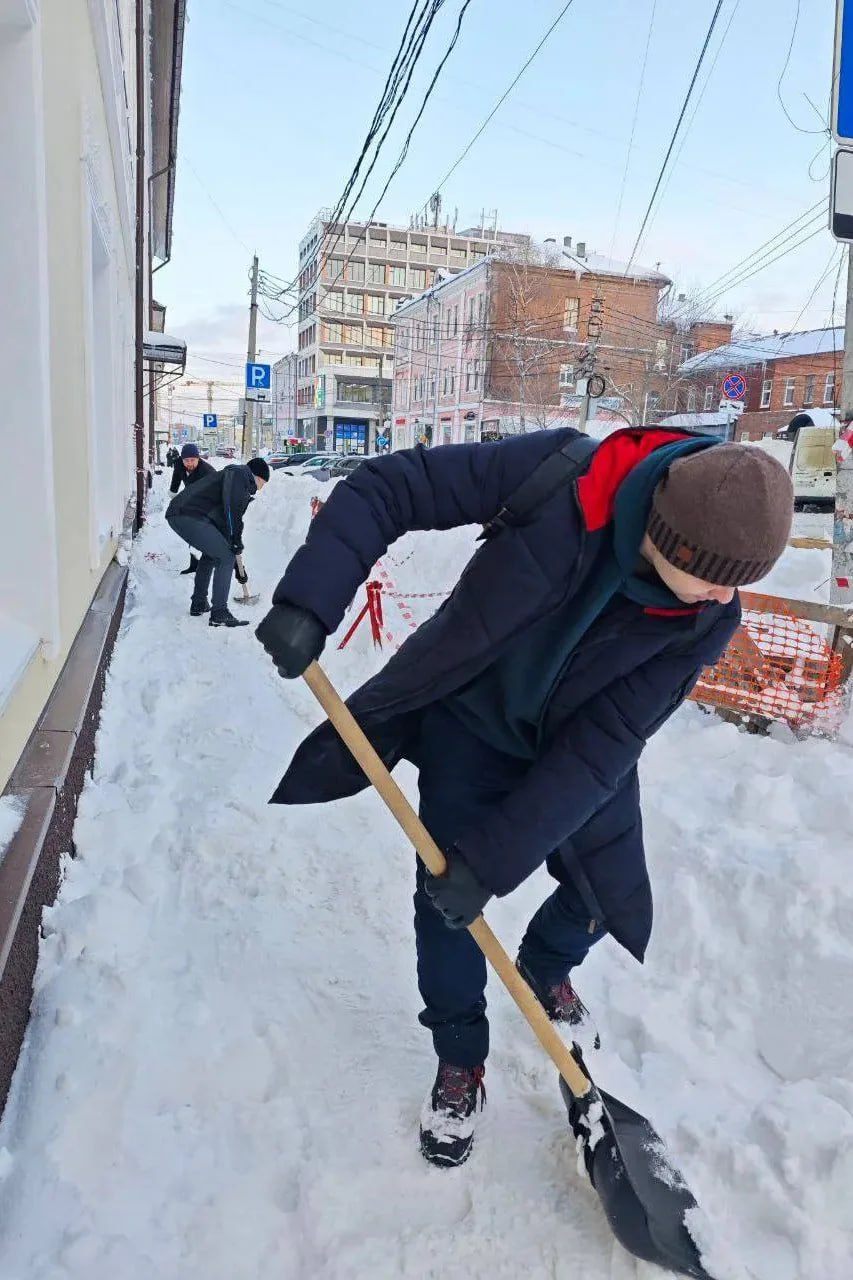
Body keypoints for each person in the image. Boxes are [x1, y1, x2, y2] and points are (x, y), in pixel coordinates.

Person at [254, 427, 793, 1168]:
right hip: (469, 728)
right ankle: (459, 1059)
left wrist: (497, 859)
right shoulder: (560, 474)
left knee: (607, 895)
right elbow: (389, 487)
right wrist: (311, 603)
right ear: (667, 538)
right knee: (446, 901)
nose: (726, 598)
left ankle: (544, 964)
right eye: (713, 577)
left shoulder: (704, 617)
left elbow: (604, 745)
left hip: (575, 750)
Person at [167, 457, 270, 627]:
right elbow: (232, 512)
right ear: (258, 477)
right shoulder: (240, 475)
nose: (261, 488)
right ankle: (219, 612)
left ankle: (199, 603)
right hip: (188, 515)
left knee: (213, 555)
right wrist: (234, 548)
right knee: (225, 558)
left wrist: (237, 560)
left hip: (186, 514)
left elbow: (226, 525)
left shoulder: (236, 479)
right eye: (263, 483)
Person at [169, 443, 216, 574]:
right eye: (186, 460)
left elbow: (216, 491)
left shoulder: (207, 471)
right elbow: (176, 478)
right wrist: (173, 493)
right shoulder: (179, 464)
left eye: (192, 460)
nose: (189, 463)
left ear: (198, 459)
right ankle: (194, 563)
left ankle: (209, 562)